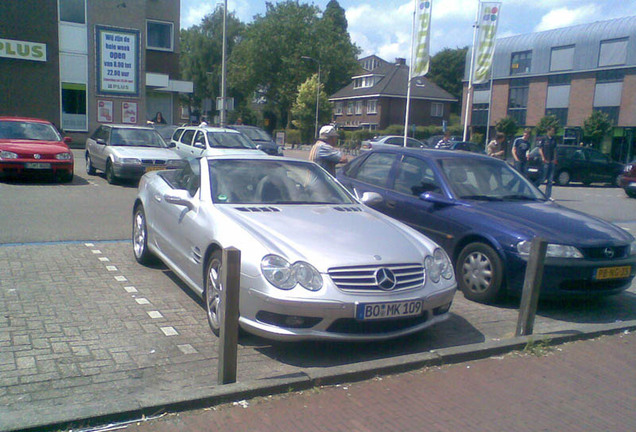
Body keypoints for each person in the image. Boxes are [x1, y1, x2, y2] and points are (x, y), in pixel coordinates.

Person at [537, 126, 558, 198]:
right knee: (542, 178)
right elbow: (540, 149)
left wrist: (554, 159)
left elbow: (555, 150)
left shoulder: (554, 139)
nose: (553, 132)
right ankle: (534, 190)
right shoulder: (543, 139)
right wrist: (543, 158)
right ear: (548, 131)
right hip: (545, 161)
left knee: (550, 180)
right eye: (552, 130)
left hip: (552, 161)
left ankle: (548, 196)